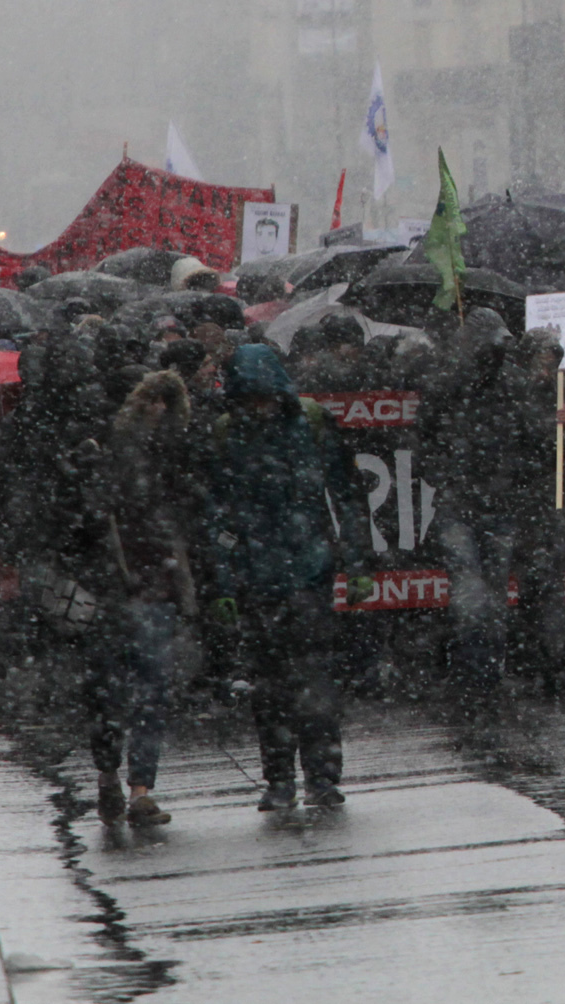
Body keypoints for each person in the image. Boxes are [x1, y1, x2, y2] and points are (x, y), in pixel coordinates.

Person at [200, 343, 374, 810]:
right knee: (271, 686)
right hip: (259, 577)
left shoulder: (311, 425)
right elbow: (215, 514)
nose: (259, 407)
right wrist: (222, 582)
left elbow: (348, 496)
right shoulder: (228, 434)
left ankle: (320, 777)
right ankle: (280, 779)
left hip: (307, 573)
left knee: (312, 679)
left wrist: (358, 564)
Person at [74, 370, 201, 826]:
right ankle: (112, 776)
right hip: (117, 588)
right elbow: (84, 523)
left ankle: (139, 787)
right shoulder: (107, 454)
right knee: (114, 692)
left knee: (149, 689)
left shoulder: (171, 456)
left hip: (152, 587)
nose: (159, 410)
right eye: (152, 400)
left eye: (166, 401)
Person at [424, 313, 565, 705]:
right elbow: (425, 436)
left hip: (499, 505)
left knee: (491, 598)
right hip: (460, 505)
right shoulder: (446, 383)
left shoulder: (513, 383)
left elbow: (532, 439)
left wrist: (547, 435)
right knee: (472, 596)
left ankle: (485, 677)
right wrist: (446, 473)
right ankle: (473, 674)